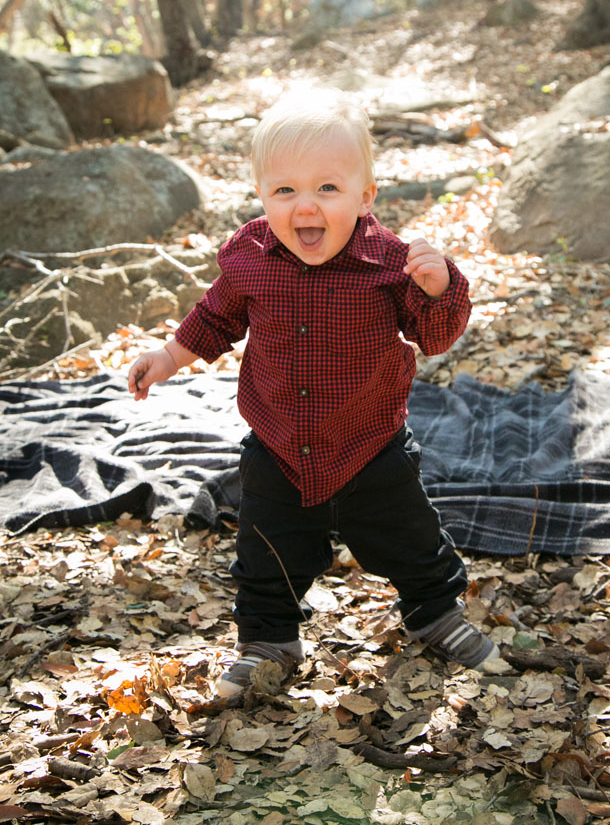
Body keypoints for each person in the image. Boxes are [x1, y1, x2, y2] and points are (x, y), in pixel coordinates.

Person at [127, 91, 499, 695]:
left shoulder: (390, 264)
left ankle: (435, 612)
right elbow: (216, 318)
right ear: (262, 197)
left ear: (365, 196)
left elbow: (432, 338)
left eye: (328, 188)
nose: (306, 205)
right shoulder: (251, 258)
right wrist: (170, 357)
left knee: (411, 540)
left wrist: (438, 289)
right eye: (285, 191)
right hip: (278, 443)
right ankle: (269, 638)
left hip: (370, 443)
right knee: (267, 552)